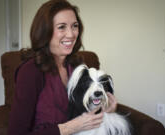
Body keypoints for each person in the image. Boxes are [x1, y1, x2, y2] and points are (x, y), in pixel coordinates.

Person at [8, 0, 117, 135]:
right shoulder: (30, 72)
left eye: (74, 26)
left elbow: (87, 111)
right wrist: (70, 127)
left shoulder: (78, 66)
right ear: (45, 31)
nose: (71, 34)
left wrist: (105, 107)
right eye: (61, 27)